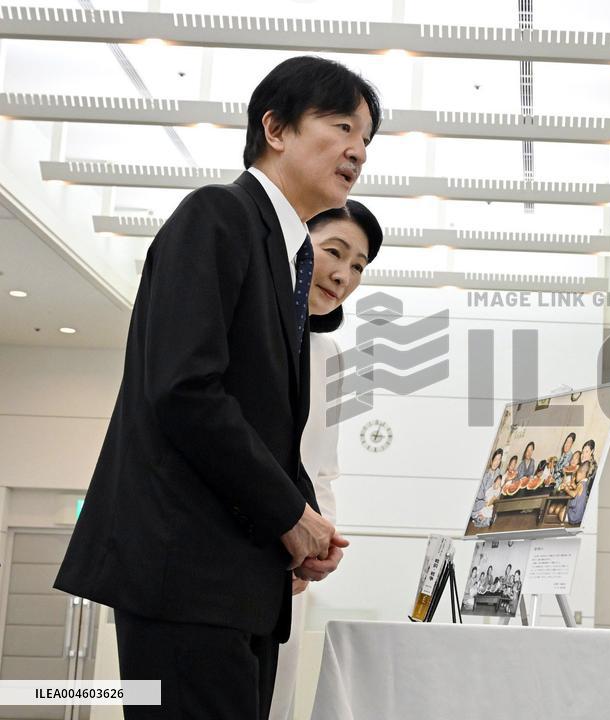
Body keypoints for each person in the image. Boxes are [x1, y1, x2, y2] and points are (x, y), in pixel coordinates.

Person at [53, 56, 381, 719]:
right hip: (186, 576)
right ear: (276, 128)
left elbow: (262, 420)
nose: (358, 151)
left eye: (367, 139)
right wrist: (288, 515)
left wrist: (303, 523)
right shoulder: (218, 215)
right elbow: (184, 390)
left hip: (235, 584)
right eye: (343, 126)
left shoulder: (285, 256)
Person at [270, 200, 383, 720]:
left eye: (359, 266)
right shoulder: (255, 331)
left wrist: (320, 543)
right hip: (241, 551)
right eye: (334, 252)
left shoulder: (330, 355)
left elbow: (322, 470)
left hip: (292, 571)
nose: (343, 276)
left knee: (276, 700)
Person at [471, 449, 505, 525]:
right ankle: (479, 517)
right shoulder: (485, 475)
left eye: (499, 460)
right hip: (482, 503)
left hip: (492, 503)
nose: (496, 462)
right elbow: (479, 496)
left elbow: (499, 488)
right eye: (495, 459)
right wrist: (485, 503)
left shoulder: (498, 472)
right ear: (492, 460)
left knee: (496, 517)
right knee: (485, 517)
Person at [565, 461, 592, 525]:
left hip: (574, 516)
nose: (575, 476)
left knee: (560, 511)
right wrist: (574, 485)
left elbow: (574, 494)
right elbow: (579, 491)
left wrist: (566, 489)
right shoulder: (584, 483)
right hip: (580, 516)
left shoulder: (580, 484)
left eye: (576, 474)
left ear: (581, 473)